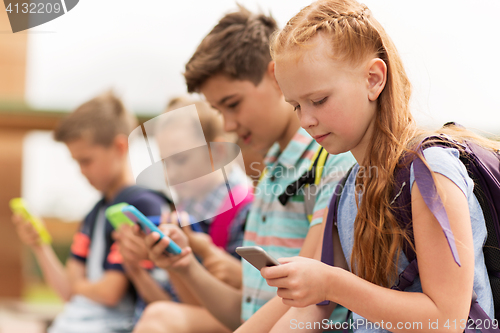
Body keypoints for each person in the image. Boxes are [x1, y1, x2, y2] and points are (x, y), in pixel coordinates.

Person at [258, 0, 499, 331]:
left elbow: (447, 319)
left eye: (319, 100)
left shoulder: (430, 173)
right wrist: (320, 286)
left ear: (373, 79)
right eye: (295, 105)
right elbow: (315, 310)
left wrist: (331, 283)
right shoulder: (345, 190)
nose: (306, 120)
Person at [134, 5, 355, 333]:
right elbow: (248, 315)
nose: (228, 124)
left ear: (276, 76)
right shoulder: (269, 173)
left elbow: (309, 310)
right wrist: (185, 267)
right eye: (218, 110)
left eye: (233, 104)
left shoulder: (330, 161)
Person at [12, 92, 169, 333]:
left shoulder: (141, 206)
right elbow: (67, 291)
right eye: (76, 162)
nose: (81, 171)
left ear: (119, 147)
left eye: (86, 161)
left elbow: (109, 292)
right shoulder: (94, 213)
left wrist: (78, 284)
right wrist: (38, 244)